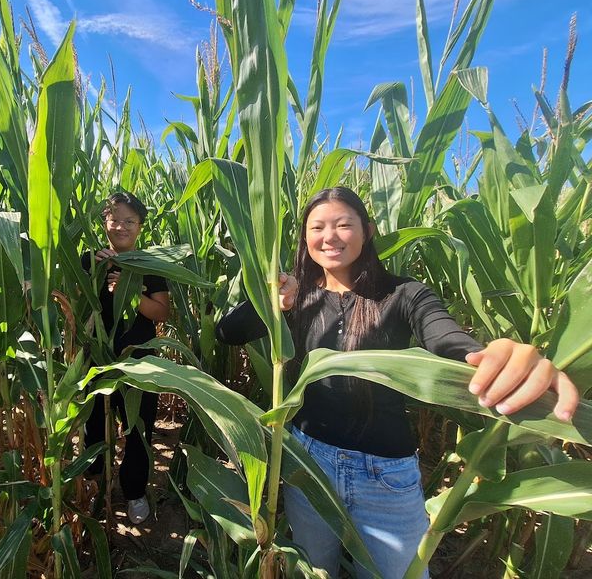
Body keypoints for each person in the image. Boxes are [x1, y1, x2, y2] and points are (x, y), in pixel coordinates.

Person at [215, 187, 579, 577]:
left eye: (343, 224)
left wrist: (501, 355)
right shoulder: (297, 298)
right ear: (305, 239)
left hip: (385, 476)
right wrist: (269, 303)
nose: (330, 236)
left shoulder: (404, 294)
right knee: (313, 570)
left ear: (368, 231)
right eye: (317, 227)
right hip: (308, 463)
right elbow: (226, 334)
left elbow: (448, 341)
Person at [82, 192, 170, 525]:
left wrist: (131, 294)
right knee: (93, 425)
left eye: (129, 221)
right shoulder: (89, 261)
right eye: (115, 219)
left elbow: (161, 312)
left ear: (140, 227)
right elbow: (73, 305)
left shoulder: (149, 265)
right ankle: (93, 483)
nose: (121, 226)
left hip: (140, 363)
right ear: (104, 221)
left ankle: (134, 492)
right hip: (97, 359)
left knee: (137, 427)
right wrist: (96, 273)